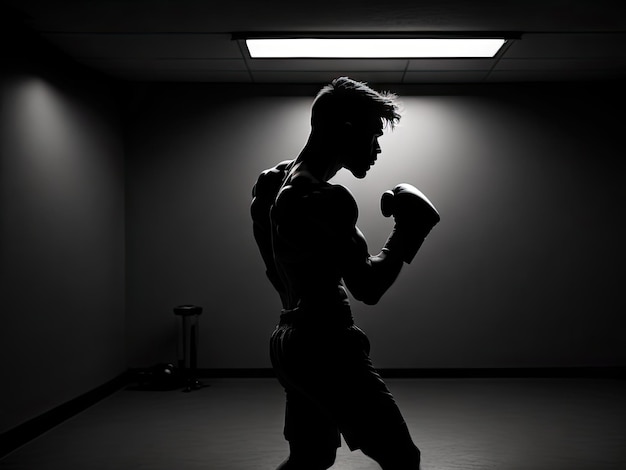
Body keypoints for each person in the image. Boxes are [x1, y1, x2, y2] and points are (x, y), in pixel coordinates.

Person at [251, 77, 440, 470]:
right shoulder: (326, 198)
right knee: (403, 458)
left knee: (311, 456)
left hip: (288, 340)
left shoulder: (271, 185)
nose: (378, 148)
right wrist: (407, 232)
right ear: (346, 130)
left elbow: (275, 272)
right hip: (327, 345)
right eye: (373, 135)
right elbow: (368, 287)